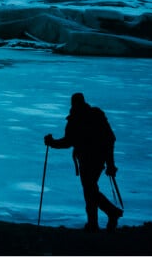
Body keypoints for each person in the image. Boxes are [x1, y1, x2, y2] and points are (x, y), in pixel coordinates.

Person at [44, 92, 123, 232]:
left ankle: (108, 214)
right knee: (90, 190)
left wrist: (52, 143)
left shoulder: (76, 119)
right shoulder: (96, 115)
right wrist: (110, 163)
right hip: (98, 159)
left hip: (88, 160)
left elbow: (68, 142)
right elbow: (110, 138)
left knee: (90, 190)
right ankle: (96, 222)